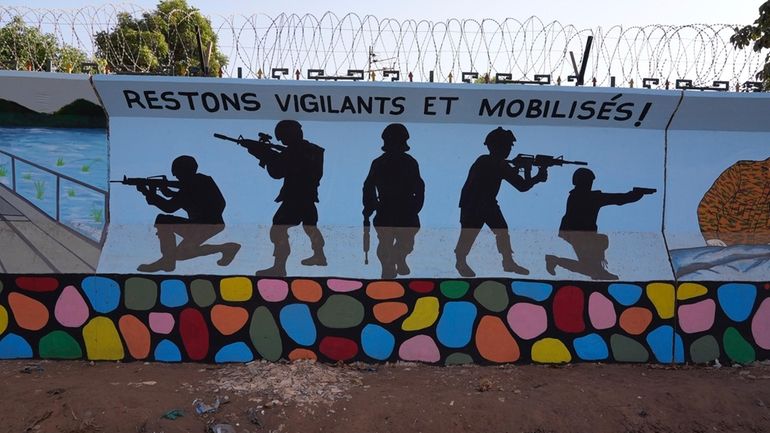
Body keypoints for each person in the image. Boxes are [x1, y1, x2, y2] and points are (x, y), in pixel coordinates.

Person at [454, 127, 548, 277]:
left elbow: (519, 183)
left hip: (484, 204)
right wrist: (536, 176)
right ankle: (461, 262)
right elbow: (522, 186)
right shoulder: (493, 162)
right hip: (474, 204)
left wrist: (524, 170)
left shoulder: (491, 161)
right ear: (498, 146)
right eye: (507, 145)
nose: (509, 149)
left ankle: (508, 262)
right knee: (469, 234)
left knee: (501, 231)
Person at [136, 155, 240, 272]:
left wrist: (148, 192)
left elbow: (169, 207)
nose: (175, 176)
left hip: (203, 225)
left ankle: (167, 261)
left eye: (176, 173)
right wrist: (164, 192)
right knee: (181, 254)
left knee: (163, 220)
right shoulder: (202, 181)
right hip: (212, 224)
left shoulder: (192, 184)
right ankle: (226, 248)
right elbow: (187, 199)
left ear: (183, 171)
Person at [545, 167, 650, 280]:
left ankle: (596, 270)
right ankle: (560, 261)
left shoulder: (576, 195)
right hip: (580, 235)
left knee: (590, 267)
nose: (590, 184)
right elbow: (619, 199)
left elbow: (619, 199)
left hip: (576, 234)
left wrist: (635, 195)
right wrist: (636, 194)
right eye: (589, 181)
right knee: (595, 256)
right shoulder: (589, 197)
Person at [254, 120, 326, 276]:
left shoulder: (294, 152)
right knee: (310, 226)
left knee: (278, 229)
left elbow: (277, 172)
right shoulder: (314, 150)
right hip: (308, 196)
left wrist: (265, 156)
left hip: (295, 197)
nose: (282, 141)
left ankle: (279, 267)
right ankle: (319, 255)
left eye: (283, 137)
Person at [363, 123, 425, 279]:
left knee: (407, 244)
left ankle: (399, 258)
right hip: (385, 209)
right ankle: (387, 266)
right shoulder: (378, 163)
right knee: (385, 243)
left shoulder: (410, 162)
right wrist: (369, 206)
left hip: (406, 210)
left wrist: (415, 207)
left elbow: (419, 187)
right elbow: (368, 186)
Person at [697, 157, 770, 246]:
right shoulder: (742, 171)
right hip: (725, 249)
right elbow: (709, 203)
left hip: (762, 253)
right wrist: (711, 237)